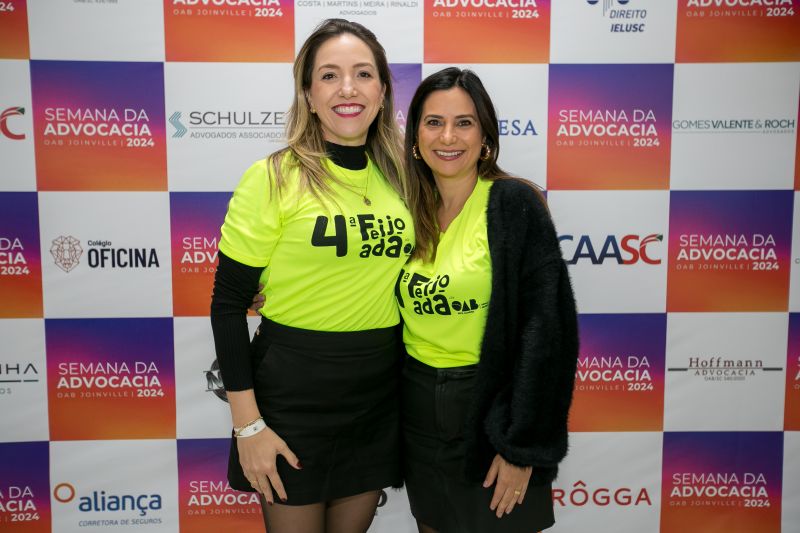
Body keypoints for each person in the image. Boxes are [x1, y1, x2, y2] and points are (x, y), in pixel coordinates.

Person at [209, 19, 413, 533]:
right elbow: (228, 306)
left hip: (377, 394)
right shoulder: (273, 177)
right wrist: (247, 426)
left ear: (382, 91)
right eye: (329, 75)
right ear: (308, 94)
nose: (348, 88)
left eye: (363, 74)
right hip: (291, 397)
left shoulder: (406, 180)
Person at [397, 67, 579, 533]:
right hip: (417, 412)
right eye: (434, 122)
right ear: (415, 136)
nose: (448, 137)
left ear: (485, 137)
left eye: (464, 122)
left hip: (492, 414)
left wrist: (521, 447)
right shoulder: (404, 210)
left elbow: (548, 333)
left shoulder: (514, 203)